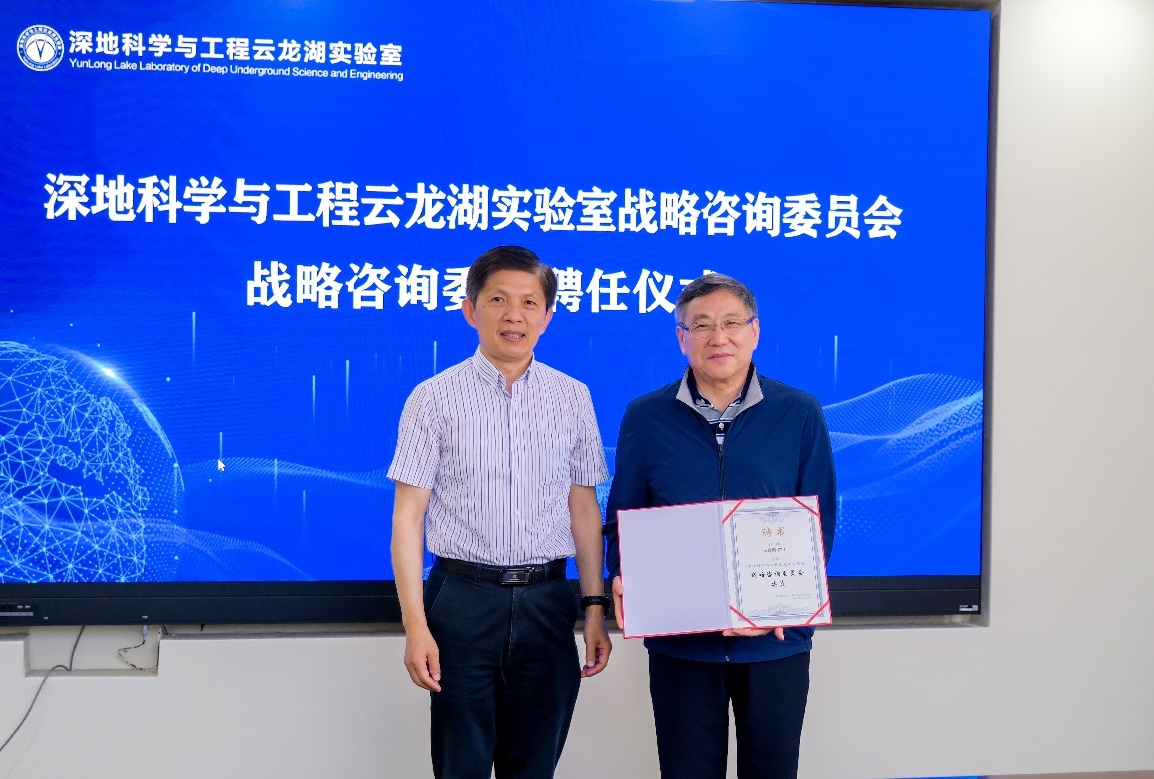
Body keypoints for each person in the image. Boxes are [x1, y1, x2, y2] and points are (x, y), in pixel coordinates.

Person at [388, 245, 613, 779]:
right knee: (460, 764)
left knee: (534, 765)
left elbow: (584, 510)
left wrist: (594, 607)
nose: (514, 315)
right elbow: (407, 520)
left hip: (547, 601)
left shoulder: (573, 397)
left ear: (547, 316)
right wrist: (416, 626)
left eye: (529, 302)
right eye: (498, 300)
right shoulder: (432, 398)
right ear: (471, 310)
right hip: (462, 602)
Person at [604, 273, 836, 779]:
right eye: (702, 325)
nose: (718, 337)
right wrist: (624, 576)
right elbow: (624, 518)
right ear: (681, 337)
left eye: (732, 322)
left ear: (755, 331)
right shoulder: (646, 416)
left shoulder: (799, 412)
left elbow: (819, 523)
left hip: (776, 642)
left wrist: (783, 607)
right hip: (682, 644)